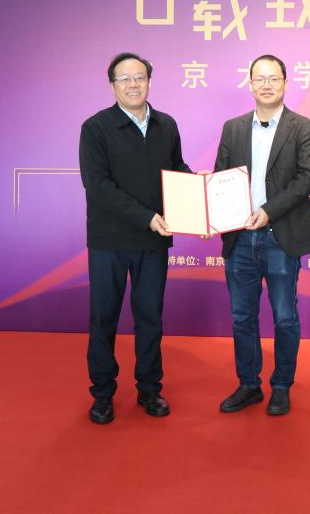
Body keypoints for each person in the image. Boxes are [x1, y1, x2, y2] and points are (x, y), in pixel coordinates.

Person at [79, 52, 191, 425]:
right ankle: (103, 393)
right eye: (124, 79)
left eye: (139, 77)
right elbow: (98, 186)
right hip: (109, 242)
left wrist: (202, 195)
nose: (133, 84)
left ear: (149, 81)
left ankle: (149, 388)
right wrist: (147, 218)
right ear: (112, 85)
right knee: (104, 318)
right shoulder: (96, 128)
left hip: (153, 243)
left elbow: (176, 169)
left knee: (150, 318)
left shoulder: (166, 124)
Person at [212, 54, 310, 416]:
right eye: (260, 78)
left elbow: (307, 178)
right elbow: (221, 177)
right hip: (240, 238)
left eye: (274, 78)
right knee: (242, 317)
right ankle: (248, 384)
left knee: (284, 317)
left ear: (286, 83)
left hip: (280, 235)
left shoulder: (302, 127)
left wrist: (269, 210)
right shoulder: (233, 128)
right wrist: (211, 214)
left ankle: (281, 386)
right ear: (250, 84)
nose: (267, 85)